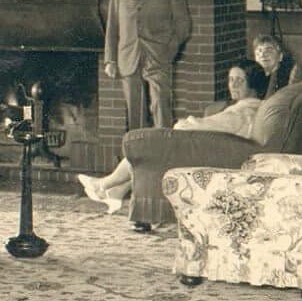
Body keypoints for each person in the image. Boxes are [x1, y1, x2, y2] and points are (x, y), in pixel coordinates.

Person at [79, 59, 268, 211]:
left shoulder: (241, 113)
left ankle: (104, 185)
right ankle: (116, 190)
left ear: (253, 84)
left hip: (206, 157)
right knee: (148, 152)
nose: (233, 85)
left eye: (239, 80)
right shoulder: (252, 108)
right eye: (230, 79)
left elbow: (200, 126)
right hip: (216, 153)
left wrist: (182, 124)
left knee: (146, 146)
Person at [103, 0, 191, 130]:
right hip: (129, 56)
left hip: (158, 56)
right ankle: (139, 156)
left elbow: (183, 24)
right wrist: (110, 59)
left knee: (161, 107)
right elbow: (112, 26)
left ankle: (165, 154)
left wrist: (170, 49)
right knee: (135, 112)